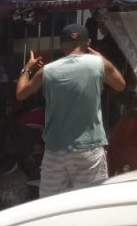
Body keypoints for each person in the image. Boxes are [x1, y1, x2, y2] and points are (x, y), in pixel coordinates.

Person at [17, 23, 126, 197]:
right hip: (88, 148)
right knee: (90, 204)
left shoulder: (47, 71)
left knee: (49, 204)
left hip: (55, 149)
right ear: (87, 43)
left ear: (61, 44)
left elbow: (21, 94)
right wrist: (101, 57)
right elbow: (120, 85)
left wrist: (27, 68)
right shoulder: (97, 64)